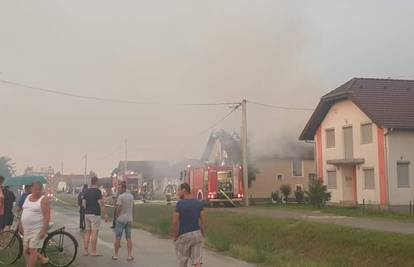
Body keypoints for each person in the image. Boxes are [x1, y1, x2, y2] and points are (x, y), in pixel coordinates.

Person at [172, 183, 206, 267]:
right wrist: (202, 233)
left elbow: (175, 222)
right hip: (197, 234)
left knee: (183, 260)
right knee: (197, 260)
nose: (178, 192)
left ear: (184, 190)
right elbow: (202, 220)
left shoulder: (180, 204)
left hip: (184, 235)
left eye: (179, 190)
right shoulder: (199, 203)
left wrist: (175, 235)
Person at [21, 181, 50, 267]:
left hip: (37, 229)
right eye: (35, 189)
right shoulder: (28, 197)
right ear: (31, 189)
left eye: (39, 189)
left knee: (32, 250)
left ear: (41, 190)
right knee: (26, 251)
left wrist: (43, 230)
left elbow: (47, 216)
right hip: (26, 229)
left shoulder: (43, 200)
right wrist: (20, 223)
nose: (37, 191)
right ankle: (43, 260)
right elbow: (24, 210)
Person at [83, 176, 109, 256]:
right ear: (97, 182)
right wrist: (105, 212)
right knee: (94, 233)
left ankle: (85, 251)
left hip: (87, 213)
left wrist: (88, 208)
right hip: (95, 214)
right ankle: (94, 251)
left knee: (87, 233)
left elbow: (83, 204)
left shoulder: (86, 191)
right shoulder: (98, 191)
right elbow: (100, 203)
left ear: (91, 182)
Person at [112, 181, 134, 261]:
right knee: (128, 238)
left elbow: (118, 208)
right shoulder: (131, 196)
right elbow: (132, 207)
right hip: (129, 219)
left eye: (120, 188)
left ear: (124, 188)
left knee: (118, 237)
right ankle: (129, 255)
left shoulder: (121, 197)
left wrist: (116, 217)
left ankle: (116, 255)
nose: (118, 189)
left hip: (121, 219)